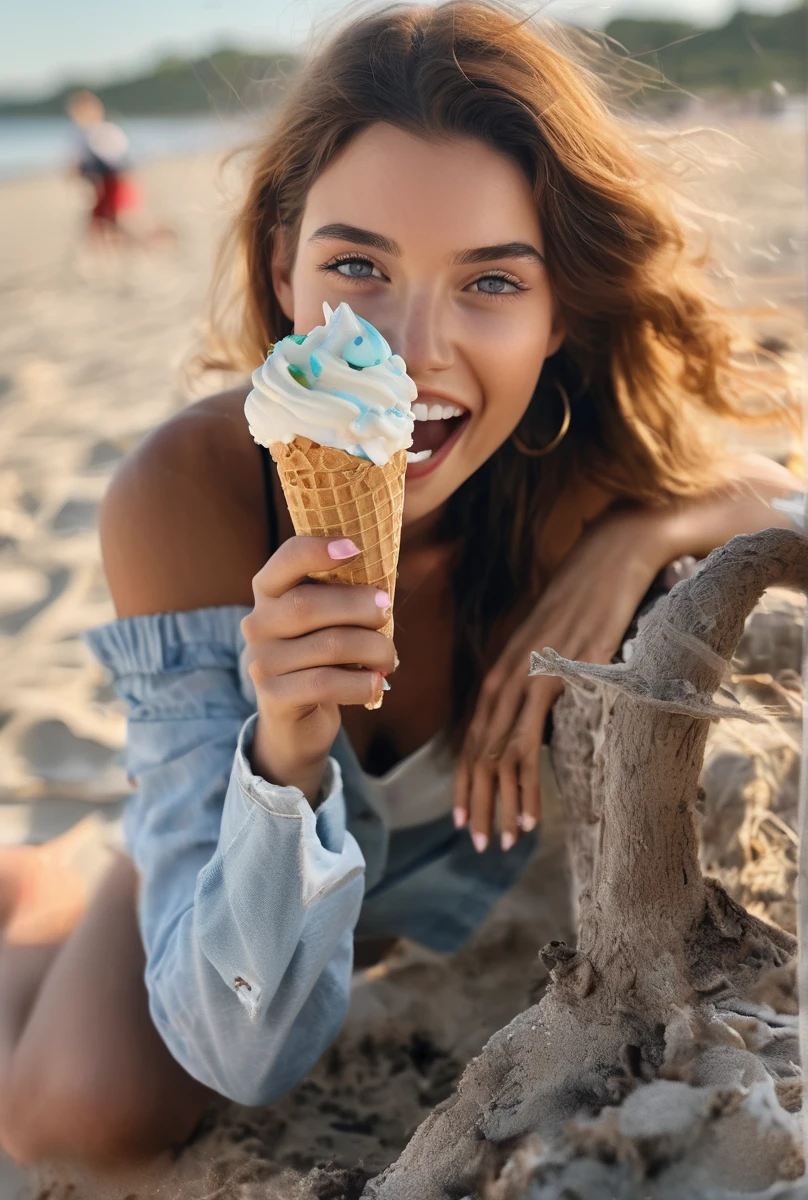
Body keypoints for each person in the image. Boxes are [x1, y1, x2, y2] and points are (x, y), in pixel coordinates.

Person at [0, 0, 801, 1173]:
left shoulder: (588, 481)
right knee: (75, 1121)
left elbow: (775, 496)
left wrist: (636, 542)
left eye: (488, 282)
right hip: (222, 866)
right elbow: (245, 1056)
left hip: (426, 898)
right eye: (357, 266)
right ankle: (42, 895)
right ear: (283, 270)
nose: (411, 349)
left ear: (556, 308)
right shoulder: (186, 495)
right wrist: (278, 756)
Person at [66, 90, 139, 240]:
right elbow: (77, 160)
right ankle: (109, 244)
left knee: (118, 215)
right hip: (99, 182)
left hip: (115, 179)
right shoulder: (80, 134)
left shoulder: (106, 131)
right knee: (99, 217)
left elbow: (120, 158)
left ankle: (132, 240)